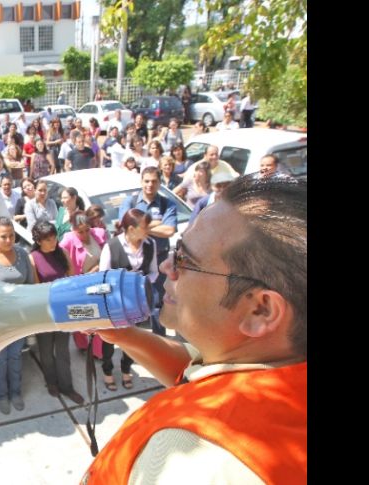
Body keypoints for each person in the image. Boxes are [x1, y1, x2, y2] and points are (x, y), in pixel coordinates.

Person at [82, 175, 306, 484]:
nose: (166, 268)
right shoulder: (274, 358)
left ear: (260, 310)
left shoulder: (195, 459)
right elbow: (198, 370)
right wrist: (125, 335)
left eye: (185, 259)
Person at [0, 217, 36, 414]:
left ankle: (16, 392)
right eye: (4, 236)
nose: (9, 240)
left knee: (15, 358)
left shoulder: (22, 254)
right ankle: (1, 395)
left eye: (12, 236)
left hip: (19, 320)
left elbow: (30, 285)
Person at [97, 209, 159, 391]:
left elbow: (154, 271)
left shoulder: (150, 244)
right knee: (110, 340)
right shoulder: (112, 246)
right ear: (131, 229)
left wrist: (142, 282)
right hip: (115, 303)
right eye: (145, 227)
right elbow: (103, 276)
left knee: (132, 338)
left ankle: (126, 369)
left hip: (138, 303)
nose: (148, 230)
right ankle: (107, 371)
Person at [28, 221, 84, 403]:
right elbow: (36, 288)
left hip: (63, 310)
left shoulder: (62, 253)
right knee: (45, 351)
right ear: (38, 240)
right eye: (48, 239)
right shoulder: (33, 258)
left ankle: (67, 386)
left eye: (54, 238)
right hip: (44, 312)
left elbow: (73, 278)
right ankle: (51, 382)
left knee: (63, 351)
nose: (53, 242)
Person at [118, 167, 178, 337]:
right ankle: (135, 343)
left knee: (158, 303)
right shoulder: (130, 202)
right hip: (134, 259)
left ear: (159, 183)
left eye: (154, 181)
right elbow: (126, 228)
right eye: (146, 181)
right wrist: (156, 223)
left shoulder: (167, 203)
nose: (150, 185)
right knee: (133, 303)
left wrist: (141, 225)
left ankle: (160, 340)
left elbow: (169, 231)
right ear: (141, 181)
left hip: (159, 259)